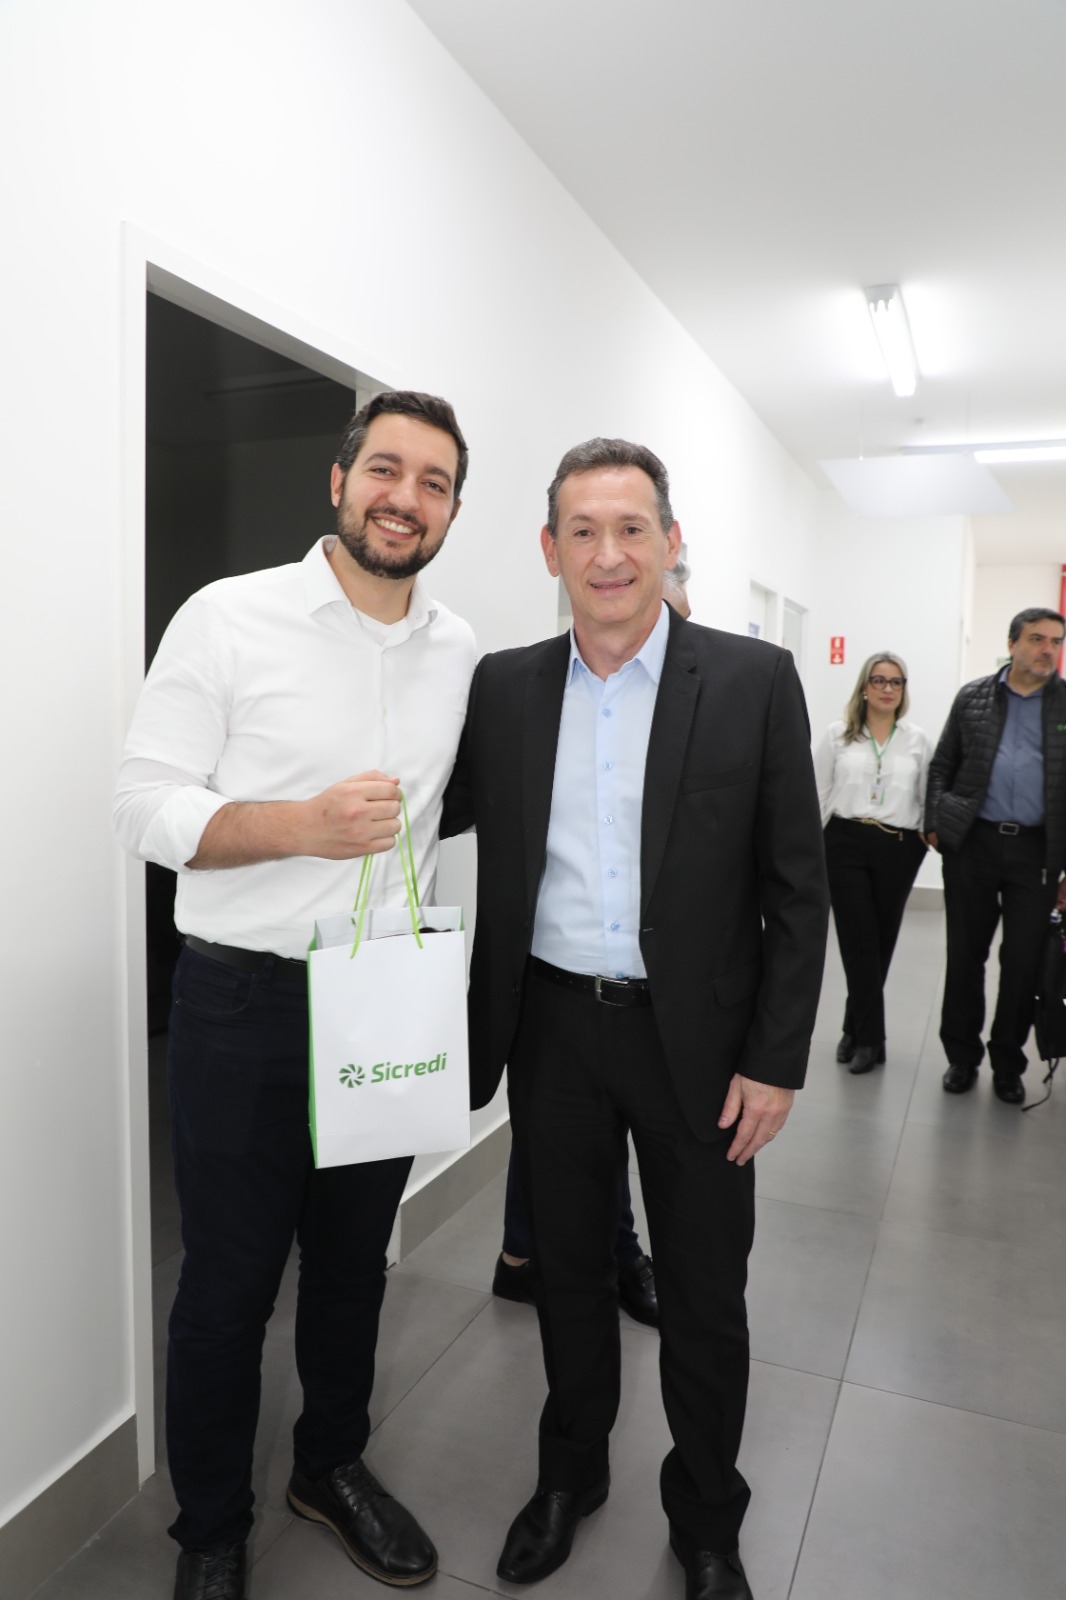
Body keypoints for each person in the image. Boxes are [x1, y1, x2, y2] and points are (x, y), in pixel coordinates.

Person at [442, 438, 828, 1600]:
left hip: (698, 1047)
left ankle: (706, 1516)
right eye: (582, 531)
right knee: (567, 1271)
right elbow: (428, 806)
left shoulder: (751, 679)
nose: (607, 554)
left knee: (703, 1293)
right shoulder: (504, 687)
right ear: (548, 548)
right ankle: (571, 1473)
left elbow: (796, 889)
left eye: (630, 528)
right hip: (553, 1031)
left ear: (670, 541)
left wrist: (774, 1060)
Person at [114, 391, 475, 1600]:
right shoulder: (228, 616)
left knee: (355, 1264)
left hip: (384, 998)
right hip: (240, 1009)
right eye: (385, 469)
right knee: (225, 1288)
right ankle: (211, 1528)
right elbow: (142, 805)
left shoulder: (460, 650)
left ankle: (329, 1465)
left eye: (432, 482)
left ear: (452, 511)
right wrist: (297, 826)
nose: (404, 498)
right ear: (338, 480)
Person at [925, 607, 1066, 1103]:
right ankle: (962, 1057)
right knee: (965, 955)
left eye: (1056, 641)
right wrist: (936, 822)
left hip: (1037, 851)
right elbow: (942, 765)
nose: (1048, 649)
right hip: (974, 844)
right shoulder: (973, 697)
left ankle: (1008, 1062)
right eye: (1037, 639)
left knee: (1023, 962)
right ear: (1012, 644)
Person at [813, 652, 931, 1073]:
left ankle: (853, 1027)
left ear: (903, 690)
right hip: (845, 841)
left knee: (881, 942)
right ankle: (870, 1039)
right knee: (857, 939)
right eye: (879, 680)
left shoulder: (917, 740)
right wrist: (811, 848)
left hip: (899, 846)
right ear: (864, 687)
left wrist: (922, 842)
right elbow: (817, 792)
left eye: (896, 682)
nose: (887, 689)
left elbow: (926, 796)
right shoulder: (838, 735)